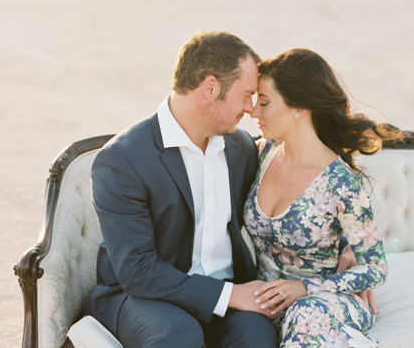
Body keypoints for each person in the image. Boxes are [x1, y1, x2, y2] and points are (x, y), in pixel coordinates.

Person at [84, 31, 278, 348]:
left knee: (257, 337)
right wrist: (229, 295)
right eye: (246, 94)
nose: (251, 108)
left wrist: (344, 246)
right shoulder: (121, 161)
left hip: (227, 293)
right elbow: (137, 271)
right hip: (142, 296)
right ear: (211, 88)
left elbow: (278, 205)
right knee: (178, 336)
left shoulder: (240, 147)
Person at [244, 48, 390, 347]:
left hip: (323, 303)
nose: (254, 110)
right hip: (265, 301)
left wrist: (305, 288)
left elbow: (376, 268)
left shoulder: (342, 184)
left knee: (305, 313)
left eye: (265, 102)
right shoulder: (260, 154)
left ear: (299, 108)